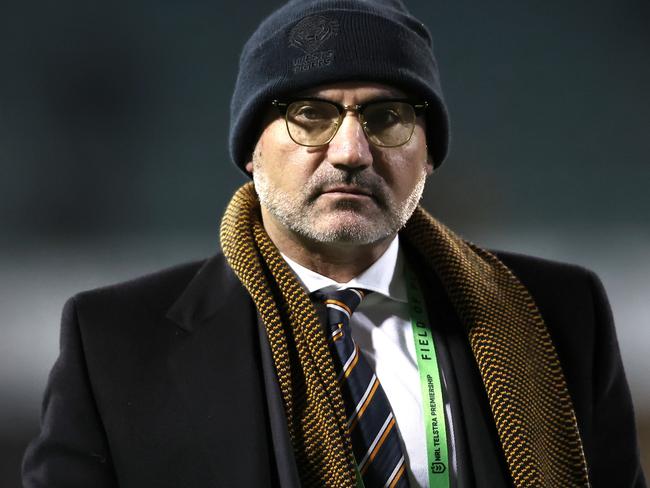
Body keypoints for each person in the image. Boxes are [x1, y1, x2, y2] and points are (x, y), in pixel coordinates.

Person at [22, 1, 645, 487]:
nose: (350, 151)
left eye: (388, 117)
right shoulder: (113, 342)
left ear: (428, 152)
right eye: (311, 115)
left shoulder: (561, 313)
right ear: (251, 148)